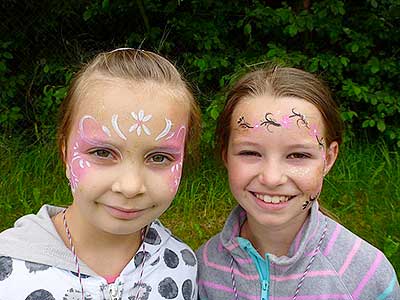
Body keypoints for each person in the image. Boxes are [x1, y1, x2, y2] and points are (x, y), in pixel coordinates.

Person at [0, 48, 200, 300]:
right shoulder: (9, 272)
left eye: (159, 158)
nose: (130, 186)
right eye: (103, 153)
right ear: (65, 151)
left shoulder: (183, 266)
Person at [196, 66, 400, 299]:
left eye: (298, 156)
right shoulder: (202, 269)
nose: (272, 179)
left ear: (328, 158)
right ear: (225, 156)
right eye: (250, 153)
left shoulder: (367, 276)